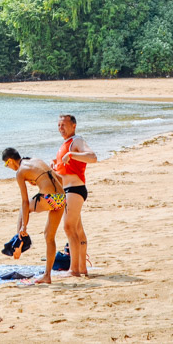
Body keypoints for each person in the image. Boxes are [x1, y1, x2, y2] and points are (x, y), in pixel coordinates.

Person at [2, 147, 65, 284]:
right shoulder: (37, 160)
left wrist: (24, 225)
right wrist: (39, 182)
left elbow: (25, 202)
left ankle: (18, 240)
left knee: (22, 209)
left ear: (11, 161)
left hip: (49, 197)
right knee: (49, 236)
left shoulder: (20, 172)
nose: (8, 167)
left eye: (7, 164)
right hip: (62, 198)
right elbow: (59, 178)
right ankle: (47, 276)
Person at [52, 114, 97, 277]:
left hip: (75, 189)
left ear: (73, 126)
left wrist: (71, 155)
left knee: (68, 227)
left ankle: (73, 269)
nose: (61, 128)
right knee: (77, 229)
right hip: (67, 190)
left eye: (64, 125)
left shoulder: (77, 141)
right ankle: (82, 268)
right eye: (58, 125)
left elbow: (92, 157)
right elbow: (63, 170)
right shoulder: (64, 145)